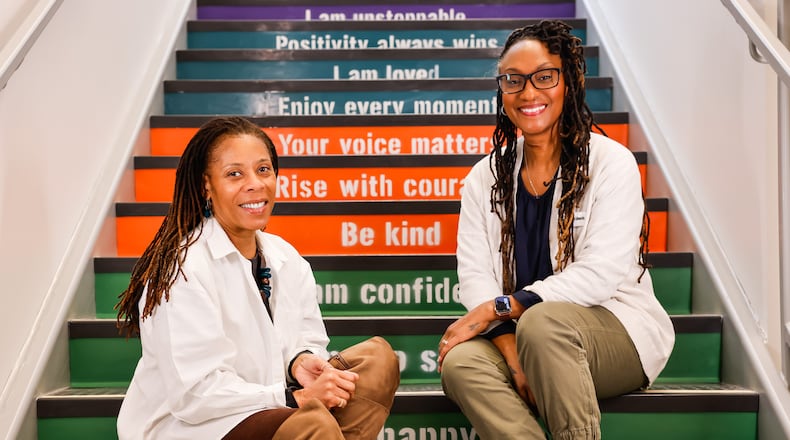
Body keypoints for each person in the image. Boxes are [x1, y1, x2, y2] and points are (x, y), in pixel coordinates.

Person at [437, 20, 675, 439]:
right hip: (525, 336)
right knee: (460, 364)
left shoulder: (610, 163)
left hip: (611, 332)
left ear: (570, 82)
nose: (528, 93)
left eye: (544, 77)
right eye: (513, 81)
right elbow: (476, 276)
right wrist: (511, 351)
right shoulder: (483, 177)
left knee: (543, 324)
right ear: (502, 90)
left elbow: (601, 273)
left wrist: (501, 308)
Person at [115, 116, 400, 440]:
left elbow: (309, 338)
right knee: (311, 424)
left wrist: (299, 361)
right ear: (206, 185)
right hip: (193, 426)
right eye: (234, 174)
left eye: (263, 170)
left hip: (270, 406)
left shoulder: (285, 257)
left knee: (377, 360)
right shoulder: (182, 269)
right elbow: (195, 395)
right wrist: (290, 397)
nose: (255, 183)